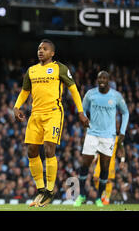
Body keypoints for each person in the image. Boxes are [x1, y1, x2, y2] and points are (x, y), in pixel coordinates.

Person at [14, 39, 89, 207]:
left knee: (49, 148)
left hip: (53, 114)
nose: (41, 51)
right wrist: (16, 107)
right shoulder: (31, 71)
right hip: (35, 115)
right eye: (39, 48)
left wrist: (81, 112)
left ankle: (50, 190)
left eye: (45, 49)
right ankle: (41, 190)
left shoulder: (59, 68)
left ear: (52, 53)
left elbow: (73, 89)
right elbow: (25, 91)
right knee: (32, 150)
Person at [74, 71, 129, 207]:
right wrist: (83, 118)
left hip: (108, 137)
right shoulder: (90, 94)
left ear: (109, 80)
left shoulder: (116, 96)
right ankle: (81, 196)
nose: (102, 80)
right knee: (85, 164)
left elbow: (125, 112)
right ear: (97, 80)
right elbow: (82, 109)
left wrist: (122, 131)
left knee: (104, 168)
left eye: (104, 78)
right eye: (100, 78)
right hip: (92, 134)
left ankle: (99, 198)